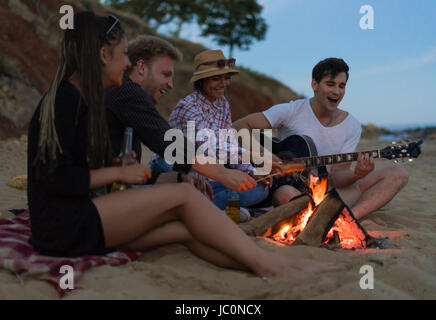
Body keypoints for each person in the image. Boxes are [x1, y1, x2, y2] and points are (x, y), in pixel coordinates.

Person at [27, 11, 340, 277]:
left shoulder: (85, 100)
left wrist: (124, 171)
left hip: (73, 222)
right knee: (184, 196)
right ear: (103, 55)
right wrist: (222, 174)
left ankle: (265, 269)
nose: (126, 62)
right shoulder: (75, 100)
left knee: (187, 229)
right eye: (124, 54)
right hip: (65, 227)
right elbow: (167, 145)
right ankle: (274, 266)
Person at [233, 57, 409, 220]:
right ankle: (326, 218)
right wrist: (263, 155)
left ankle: (345, 220)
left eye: (342, 86)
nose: (337, 91)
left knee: (397, 173)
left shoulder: (352, 125)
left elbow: (337, 177)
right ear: (314, 84)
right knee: (286, 195)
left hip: (325, 192)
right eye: (330, 84)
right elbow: (238, 127)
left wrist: (356, 174)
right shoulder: (292, 111)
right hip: (288, 188)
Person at [105, 36, 254, 195]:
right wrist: (224, 174)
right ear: (141, 67)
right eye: (166, 74)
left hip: (122, 188)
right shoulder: (128, 92)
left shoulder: (223, 105)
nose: (171, 84)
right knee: (186, 196)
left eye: (226, 78)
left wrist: (178, 179)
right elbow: (168, 140)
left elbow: (133, 178)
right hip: (102, 202)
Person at [152, 49, 272, 215]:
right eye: (216, 79)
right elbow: (207, 146)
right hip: (174, 168)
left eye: (226, 78)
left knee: (259, 188)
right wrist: (252, 155)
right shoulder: (189, 106)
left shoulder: (223, 105)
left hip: (205, 173)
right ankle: (208, 209)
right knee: (183, 170)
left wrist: (249, 171)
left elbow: (228, 142)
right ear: (201, 81)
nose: (223, 84)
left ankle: (204, 207)